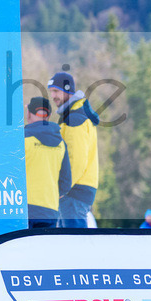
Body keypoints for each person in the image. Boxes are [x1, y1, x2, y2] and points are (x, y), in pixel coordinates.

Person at [48, 70, 100, 227]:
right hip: (76, 190)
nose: (53, 96)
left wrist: (62, 189)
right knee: (70, 243)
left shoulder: (75, 118)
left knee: (74, 243)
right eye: (51, 92)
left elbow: (76, 159)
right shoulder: (71, 116)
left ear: (68, 90)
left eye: (56, 91)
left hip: (74, 191)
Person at [24, 96, 71, 229]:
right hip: (50, 211)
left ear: (28, 113)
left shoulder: (23, 139)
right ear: (49, 115)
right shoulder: (61, 143)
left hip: (25, 210)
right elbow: (66, 183)